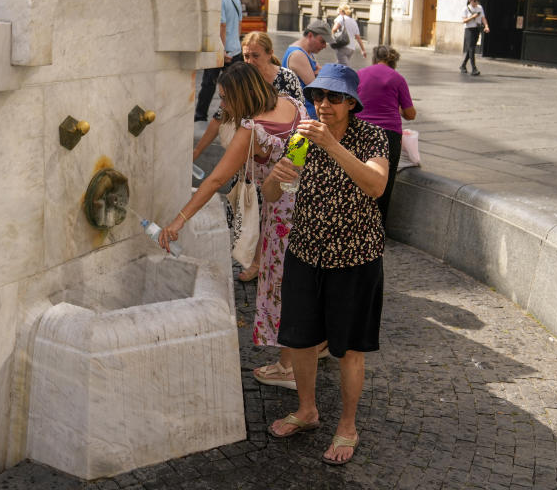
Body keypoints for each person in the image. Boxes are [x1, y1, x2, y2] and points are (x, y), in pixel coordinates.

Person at [264, 64, 389, 467]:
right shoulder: (302, 137)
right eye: (318, 97)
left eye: (334, 98)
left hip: (354, 258)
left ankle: (348, 426)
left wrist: (333, 146)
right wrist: (275, 176)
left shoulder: (371, 136)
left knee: (349, 348)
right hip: (305, 253)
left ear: (351, 103)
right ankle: (306, 411)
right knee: (299, 339)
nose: (324, 105)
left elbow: (375, 185)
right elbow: (273, 192)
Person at [158, 63, 301, 318]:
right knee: (305, 280)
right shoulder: (291, 103)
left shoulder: (252, 130)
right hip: (310, 199)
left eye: (225, 98)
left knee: (283, 284)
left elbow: (215, 180)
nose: (221, 105)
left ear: (241, 95)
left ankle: (290, 356)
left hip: (282, 213)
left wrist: (178, 222)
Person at [192, 32, 304, 283]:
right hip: (251, 167)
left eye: (256, 55)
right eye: (246, 56)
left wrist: (293, 164)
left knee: (277, 229)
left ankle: (264, 267)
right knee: (249, 214)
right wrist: (198, 150)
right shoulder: (240, 81)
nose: (250, 60)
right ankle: (258, 263)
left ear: (268, 54)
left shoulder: (286, 81)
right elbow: (220, 116)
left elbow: (301, 127)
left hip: (283, 177)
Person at [356, 45, 416, 225]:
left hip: (360, 130)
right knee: (384, 183)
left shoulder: (359, 74)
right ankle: (377, 230)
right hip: (389, 135)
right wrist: (396, 106)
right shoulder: (397, 78)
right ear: (394, 62)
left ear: (374, 58)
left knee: (357, 177)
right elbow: (410, 114)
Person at [195, 0, 243, 121]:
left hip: (222, 51)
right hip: (235, 50)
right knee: (234, 87)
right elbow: (239, 23)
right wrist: (237, 44)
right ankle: (234, 116)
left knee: (208, 84)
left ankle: (200, 116)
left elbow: (221, 26)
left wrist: (220, 50)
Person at [281, 20, 332, 119]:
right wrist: (319, 74)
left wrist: (319, 73)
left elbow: (320, 72)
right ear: (310, 35)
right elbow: (316, 86)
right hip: (304, 112)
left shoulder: (306, 52)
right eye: (322, 41)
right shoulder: (298, 54)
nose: (325, 46)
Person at [460, 0, 489, 76]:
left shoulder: (480, 7)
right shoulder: (465, 9)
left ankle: (463, 66)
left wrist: (486, 26)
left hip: (477, 29)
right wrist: (473, 16)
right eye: (474, 0)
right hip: (469, 29)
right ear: (470, 0)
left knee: (471, 49)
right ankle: (474, 68)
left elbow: (483, 18)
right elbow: (464, 21)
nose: (476, 2)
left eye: (477, 0)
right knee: (471, 48)